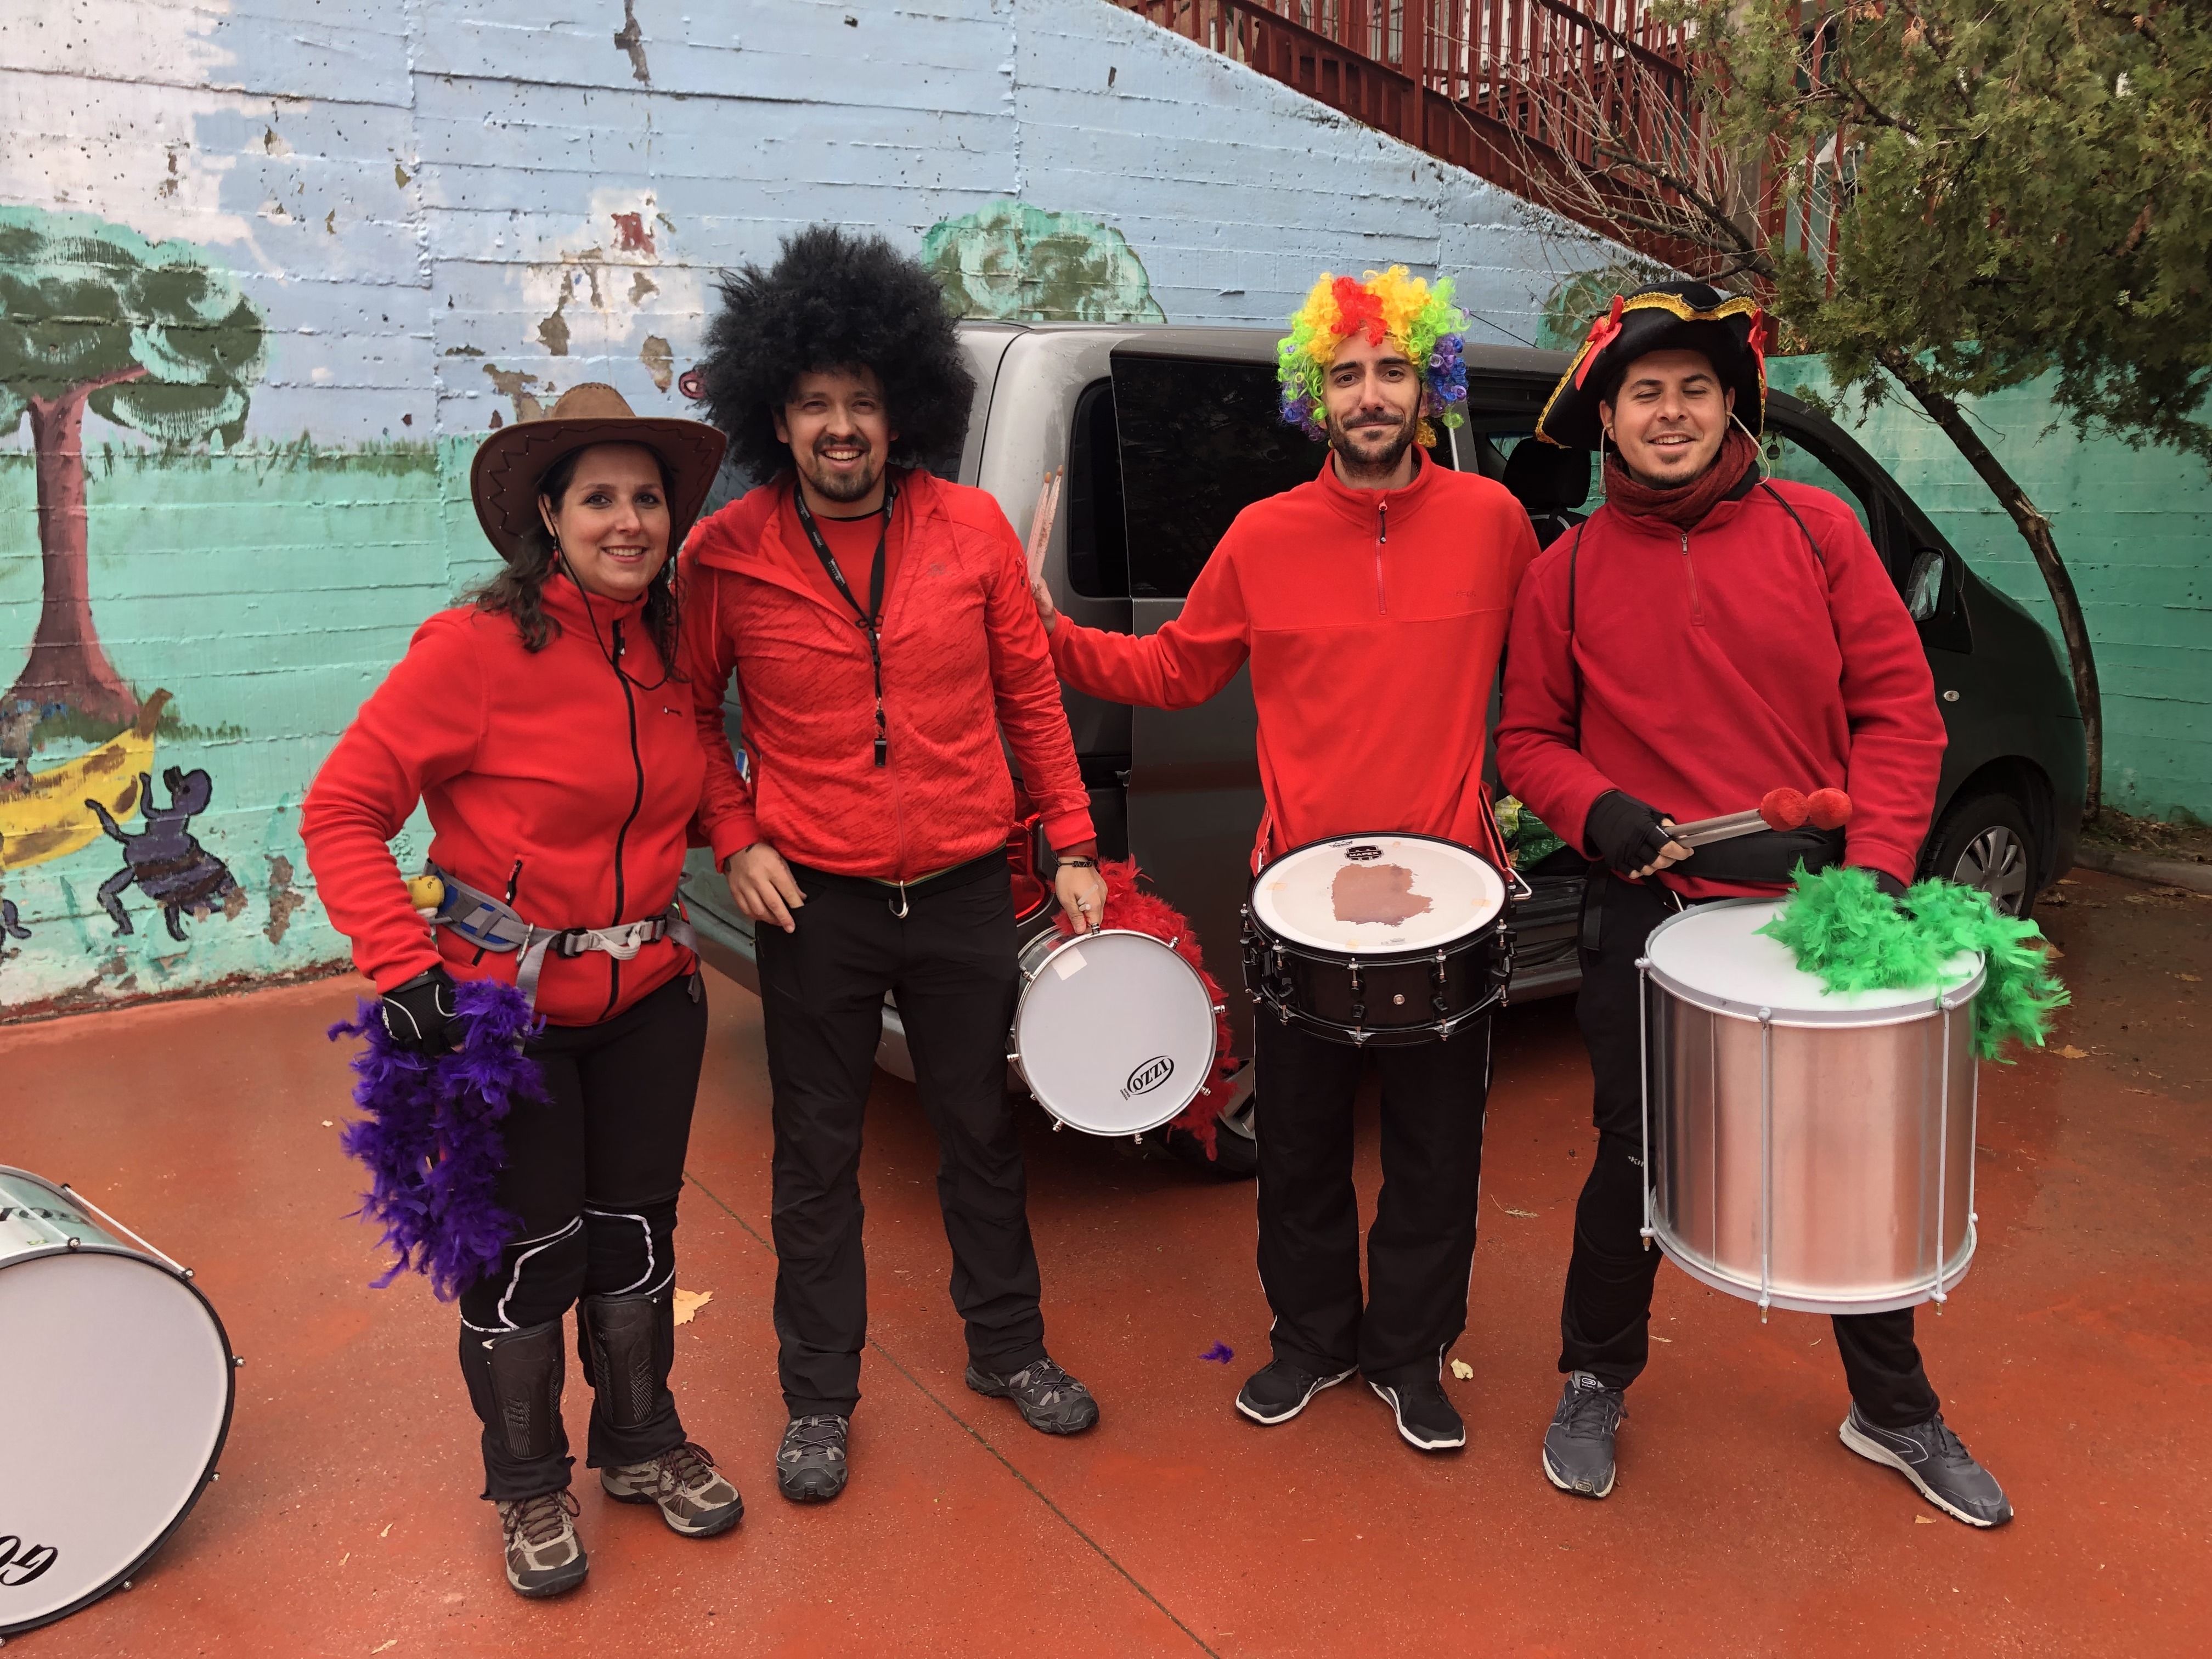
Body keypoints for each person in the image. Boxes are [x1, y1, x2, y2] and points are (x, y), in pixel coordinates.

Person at [1494, 280, 2012, 1525]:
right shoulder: (1566, 572)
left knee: (1849, 1153)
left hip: (1819, 906)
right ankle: (1595, 1377)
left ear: (1734, 408)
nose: (1670, 413)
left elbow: (1898, 714)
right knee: (1635, 1151)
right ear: (1608, 418)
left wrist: (1876, 872)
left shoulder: (1820, 532)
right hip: (1651, 909)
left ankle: (1892, 1409)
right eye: (1645, 394)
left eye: (1696, 390)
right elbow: (1526, 739)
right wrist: (1595, 808)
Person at [1032, 267, 1539, 1453]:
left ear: (1429, 385)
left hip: (1451, 902)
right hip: (1296, 899)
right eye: (1345, 375)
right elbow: (1173, 670)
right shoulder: (1263, 536)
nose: (1370, 395)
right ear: (1316, 397)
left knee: (1435, 1155)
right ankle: (1311, 1341)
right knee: (1299, 1147)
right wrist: (1045, 635)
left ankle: (1408, 1355)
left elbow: (1554, 664)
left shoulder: (1495, 523)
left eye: (1393, 370)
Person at [681, 226, 1107, 1504]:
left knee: (980, 1130)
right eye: (815, 403)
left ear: (902, 406)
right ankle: (819, 1397)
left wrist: (1073, 841)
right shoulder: (726, 553)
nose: (841, 427)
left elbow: (1031, 698)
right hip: (819, 904)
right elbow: (690, 716)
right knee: (815, 1159)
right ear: (778, 417)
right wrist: (735, 833)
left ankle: (1008, 1348)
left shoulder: (972, 530)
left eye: (862, 401)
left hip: (968, 889)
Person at [302, 384, 746, 1598]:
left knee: (636, 1238)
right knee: (526, 1256)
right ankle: (530, 1484)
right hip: (508, 1021)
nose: (628, 521)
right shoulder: (474, 652)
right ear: (549, 517)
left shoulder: (666, 652)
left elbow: (701, 772)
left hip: (653, 999)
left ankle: (642, 1445)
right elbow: (340, 810)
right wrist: (402, 967)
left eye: (647, 498)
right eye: (599, 498)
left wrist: (745, 833)